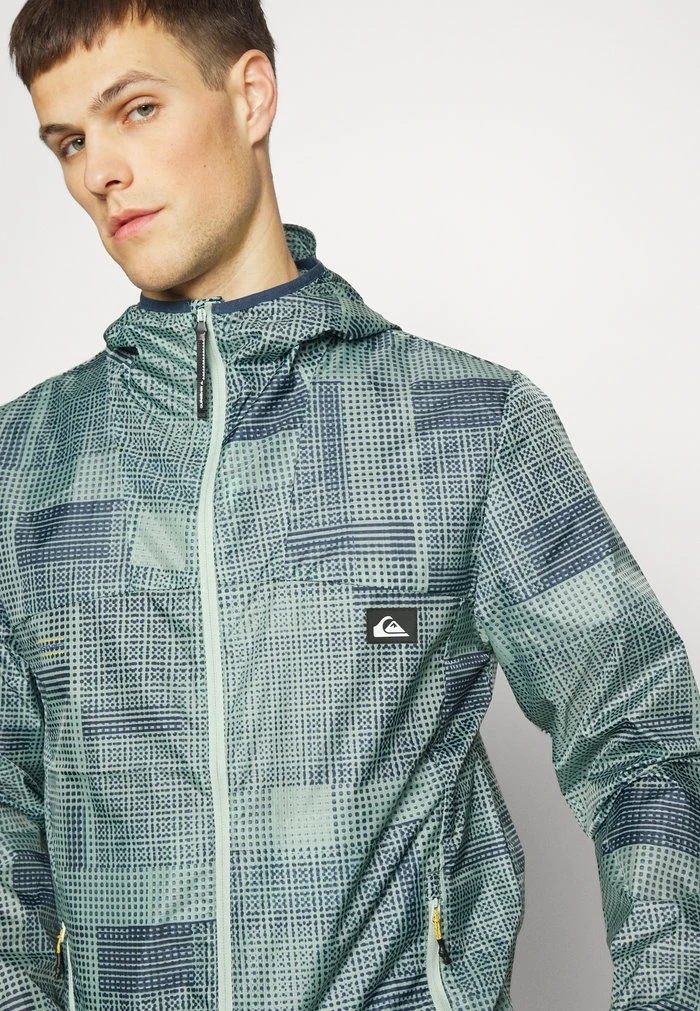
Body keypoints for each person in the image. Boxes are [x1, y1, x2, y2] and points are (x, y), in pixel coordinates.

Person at [3, 1, 699, 1008]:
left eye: (137, 110)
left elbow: (640, 733)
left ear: (250, 96)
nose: (98, 171)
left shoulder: (466, 425)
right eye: (69, 142)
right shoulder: (25, 462)